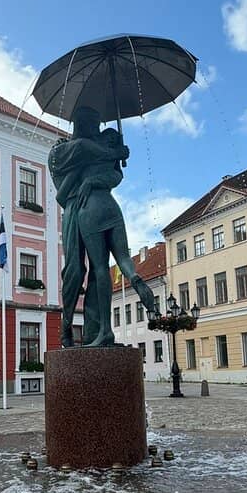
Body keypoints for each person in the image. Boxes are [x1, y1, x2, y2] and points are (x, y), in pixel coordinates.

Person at [49, 105, 159, 347]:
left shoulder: (102, 145)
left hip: (89, 207)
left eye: (97, 124)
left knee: (95, 272)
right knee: (77, 272)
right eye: (91, 123)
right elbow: (81, 150)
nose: (95, 129)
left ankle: (95, 330)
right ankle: (68, 327)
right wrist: (115, 152)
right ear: (79, 124)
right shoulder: (61, 150)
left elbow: (116, 176)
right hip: (81, 207)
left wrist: (112, 159)